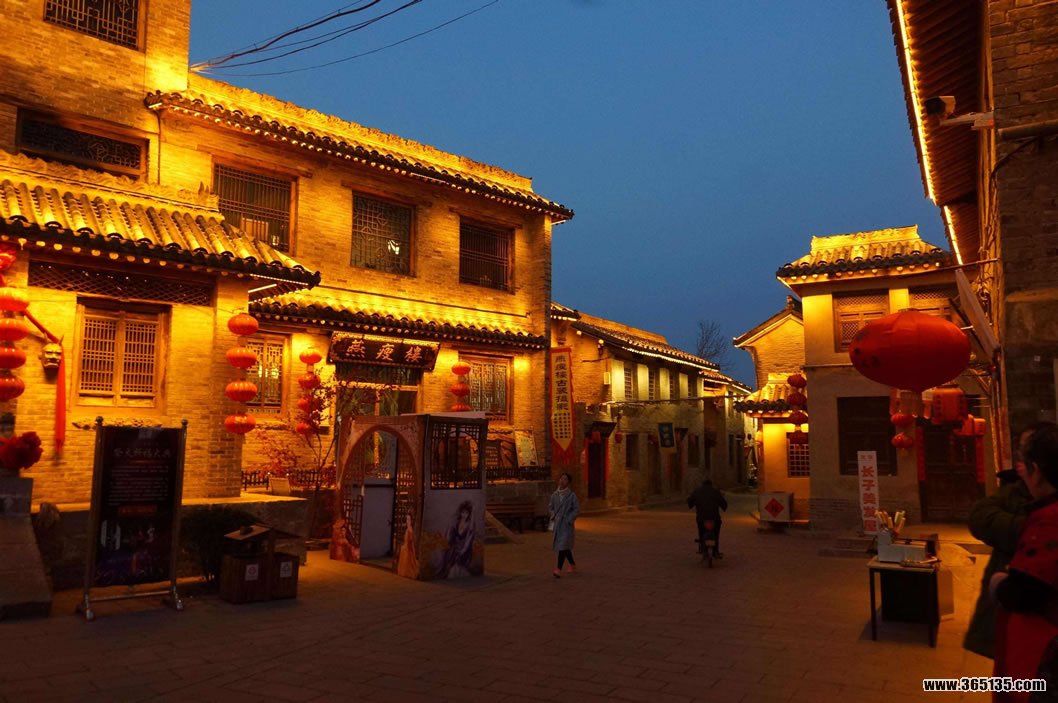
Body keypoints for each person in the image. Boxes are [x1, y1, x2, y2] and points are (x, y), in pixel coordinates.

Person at [992, 422, 1058, 702]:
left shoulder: (1049, 520)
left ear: (1037, 471)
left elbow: (1025, 592)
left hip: (1042, 657)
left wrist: (999, 584)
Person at [963, 429, 1034, 659]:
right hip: (1007, 607)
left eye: (1027, 453)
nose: (1021, 459)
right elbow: (979, 516)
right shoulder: (1015, 490)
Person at [687, 478, 727, 559]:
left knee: (701, 531)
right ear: (711, 484)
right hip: (714, 518)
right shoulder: (716, 492)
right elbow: (724, 506)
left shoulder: (697, 491)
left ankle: (702, 547)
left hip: (701, 518)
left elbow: (689, 503)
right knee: (716, 533)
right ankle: (716, 551)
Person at [549, 472, 580, 578]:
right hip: (558, 525)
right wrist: (553, 515)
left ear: (568, 482)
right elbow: (550, 507)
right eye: (561, 478)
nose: (562, 481)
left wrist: (569, 519)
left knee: (562, 546)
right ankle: (572, 564)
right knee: (564, 546)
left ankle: (558, 569)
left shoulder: (571, 496)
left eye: (565, 479)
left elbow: (576, 509)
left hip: (566, 525)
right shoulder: (554, 495)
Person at [438, 501, 475, 579]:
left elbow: (468, 541)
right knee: (447, 555)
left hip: (464, 548)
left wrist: (463, 550)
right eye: (463, 512)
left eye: (466, 513)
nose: (464, 515)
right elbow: (451, 535)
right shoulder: (457, 522)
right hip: (455, 546)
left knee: (458, 564)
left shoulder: (469, 525)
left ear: (469, 514)